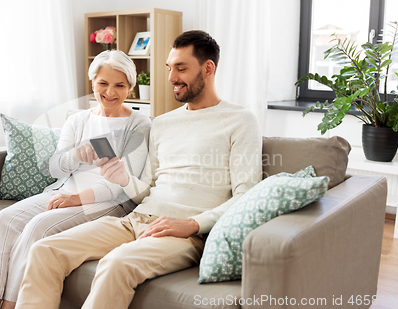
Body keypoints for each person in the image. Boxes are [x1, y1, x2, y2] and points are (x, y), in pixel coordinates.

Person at [15, 30, 262, 309]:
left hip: (186, 233)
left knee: (115, 264)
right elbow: (147, 186)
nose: (171, 78)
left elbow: (247, 195)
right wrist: (123, 178)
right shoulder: (164, 123)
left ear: (208, 68)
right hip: (136, 218)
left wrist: (192, 224)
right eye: (170, 68)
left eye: (181, 68)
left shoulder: (240, 120)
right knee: (46, 250)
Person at [0, 50, 151, 309]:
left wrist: (75, 199)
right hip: (64, 189)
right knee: (4, 219)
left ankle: (13, 305)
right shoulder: (78, 119)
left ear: (130, 87)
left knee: (38, 227)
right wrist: (75, 156)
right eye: (103, 83)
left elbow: (121, 183)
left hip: (105, 202)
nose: (110, 92)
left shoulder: (139, 125)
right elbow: (55, 169)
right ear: (92, 83)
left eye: (119, 85)